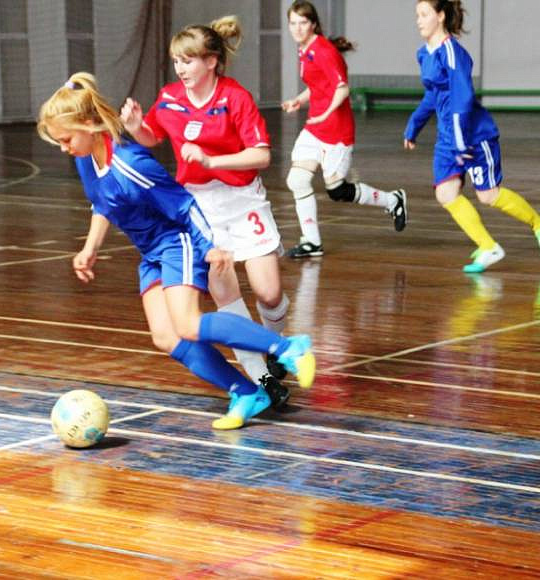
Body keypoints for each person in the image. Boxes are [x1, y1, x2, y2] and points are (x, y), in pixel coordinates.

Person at [37, 72, 315, 430]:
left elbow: (185, 205)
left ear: (89, 126)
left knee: (188, 324)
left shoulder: (132, 164)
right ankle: (247, 393)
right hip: (150, 252)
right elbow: (102, 202)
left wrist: (209, 247)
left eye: (65, 139)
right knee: (166, 336)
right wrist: (90, 247)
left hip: (176, 242)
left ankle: (289, 348)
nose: (64, 147)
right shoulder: (85, 157)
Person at [120, 16, 291, 407]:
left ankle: (275, 344)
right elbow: (152, 136)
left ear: (211, 61)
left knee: (269, 293)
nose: (180, 69)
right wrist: (135, 126)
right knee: (224, 290)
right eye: (176, 61)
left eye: (188, 60)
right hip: (199, 207)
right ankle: (262, 377)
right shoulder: (169, 98)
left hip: (243, 199)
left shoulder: (235, 97)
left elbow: (261, 155)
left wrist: (213, 161)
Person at [404, 0, 540, 272]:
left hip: (474, 136)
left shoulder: (452, 53)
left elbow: (462, 98)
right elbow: (433, 95)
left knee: (488, 195)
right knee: (445, 193)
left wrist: (461, 140)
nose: (418, 20)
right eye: (417, 15)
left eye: (424, 14)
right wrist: (414, 125)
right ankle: (488, 247)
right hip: (448, 138)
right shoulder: (423, 54)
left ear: (440, 16)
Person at [282, 0, 408, 259]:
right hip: (315, 128)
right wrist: (299, 100)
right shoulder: (304, 50)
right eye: (292, 23)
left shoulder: (324, 51)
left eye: (302, 23)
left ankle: (393, 200)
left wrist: (325, 113)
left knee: (337, 191)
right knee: (297, 180)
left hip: (336, 131)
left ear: (313, 24)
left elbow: (342, 89)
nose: (297, 28)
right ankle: (312, 242)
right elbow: (318, 86)